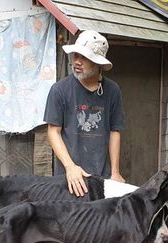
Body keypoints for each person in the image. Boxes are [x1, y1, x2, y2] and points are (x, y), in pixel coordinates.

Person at [44, 30, 125, 197]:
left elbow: (115, 131)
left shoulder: (112, 90)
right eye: (75, 56)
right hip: (68, 177)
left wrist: (115, 172)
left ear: (98, 63)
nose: (77, 62)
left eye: (84, 57)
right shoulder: (59, 90)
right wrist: (70, 167)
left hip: (100, 176)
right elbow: (53, 132)